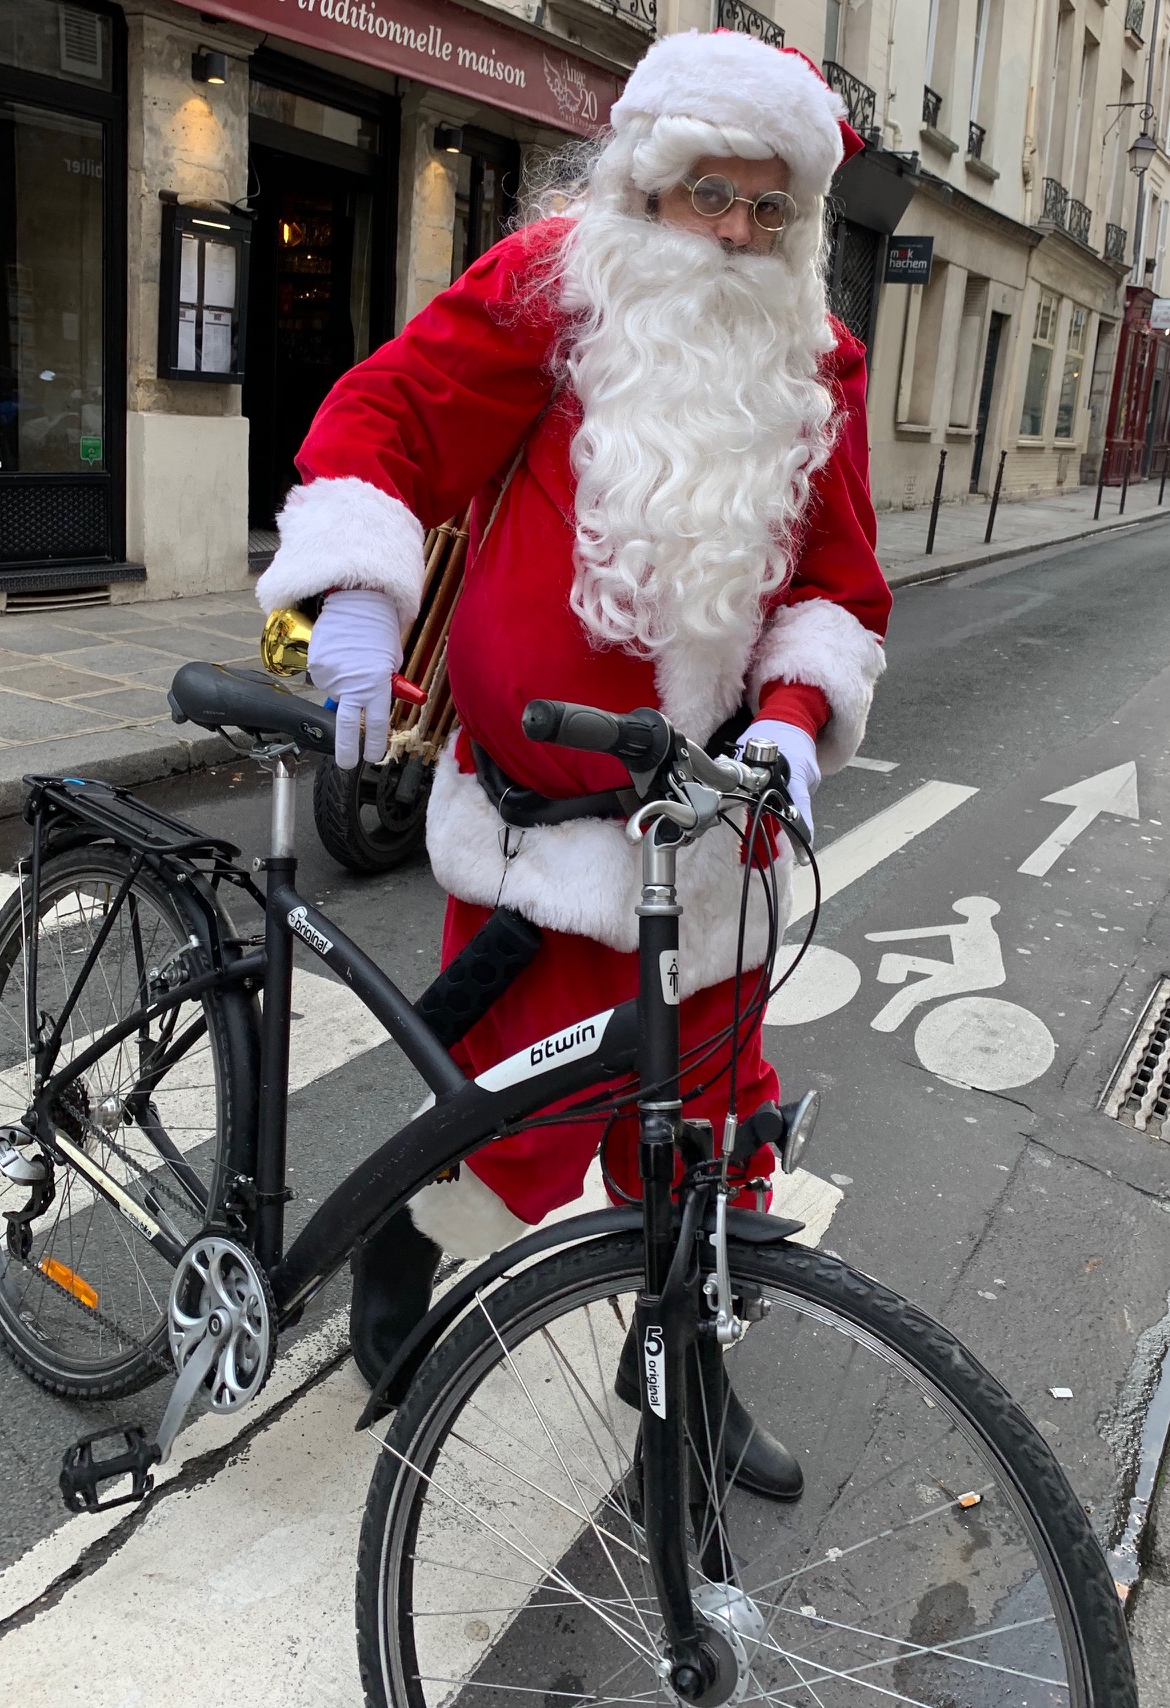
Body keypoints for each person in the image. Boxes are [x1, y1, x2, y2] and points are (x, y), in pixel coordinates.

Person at [257, 28, 892, 1498]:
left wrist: (794, 719)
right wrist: (353, 593)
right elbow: (395, 416)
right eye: (709, 196)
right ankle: (406, 1253)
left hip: (707, 839)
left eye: (767, 209)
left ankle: (686, 1365)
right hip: (538, 831)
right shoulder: (558, 283)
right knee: (497, 1112)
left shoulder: (817, 362)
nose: (736, 235)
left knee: (717, 1133)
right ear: (649, 182)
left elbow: (838, 584)